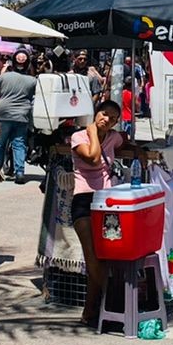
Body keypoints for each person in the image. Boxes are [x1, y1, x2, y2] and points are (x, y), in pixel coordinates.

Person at [70, 101, 124, 327]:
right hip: (84, 199)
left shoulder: (114, 137)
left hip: (107, 201)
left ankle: (90, 312)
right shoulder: (78, 137)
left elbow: (126, 143)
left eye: (112, 118)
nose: (106, 120)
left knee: (105, 256)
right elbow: (92, 157)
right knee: (92, 255)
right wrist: (92, 131)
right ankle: (113, 300)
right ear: (96, 113)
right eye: (104, 114)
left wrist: (140, 152)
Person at [0, 50, 38, 184]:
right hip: (22, 114)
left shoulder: (5, 76)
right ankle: (20, 172)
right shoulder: (32, 80)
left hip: (4, 113)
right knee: (19, 144)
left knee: (0, 144)